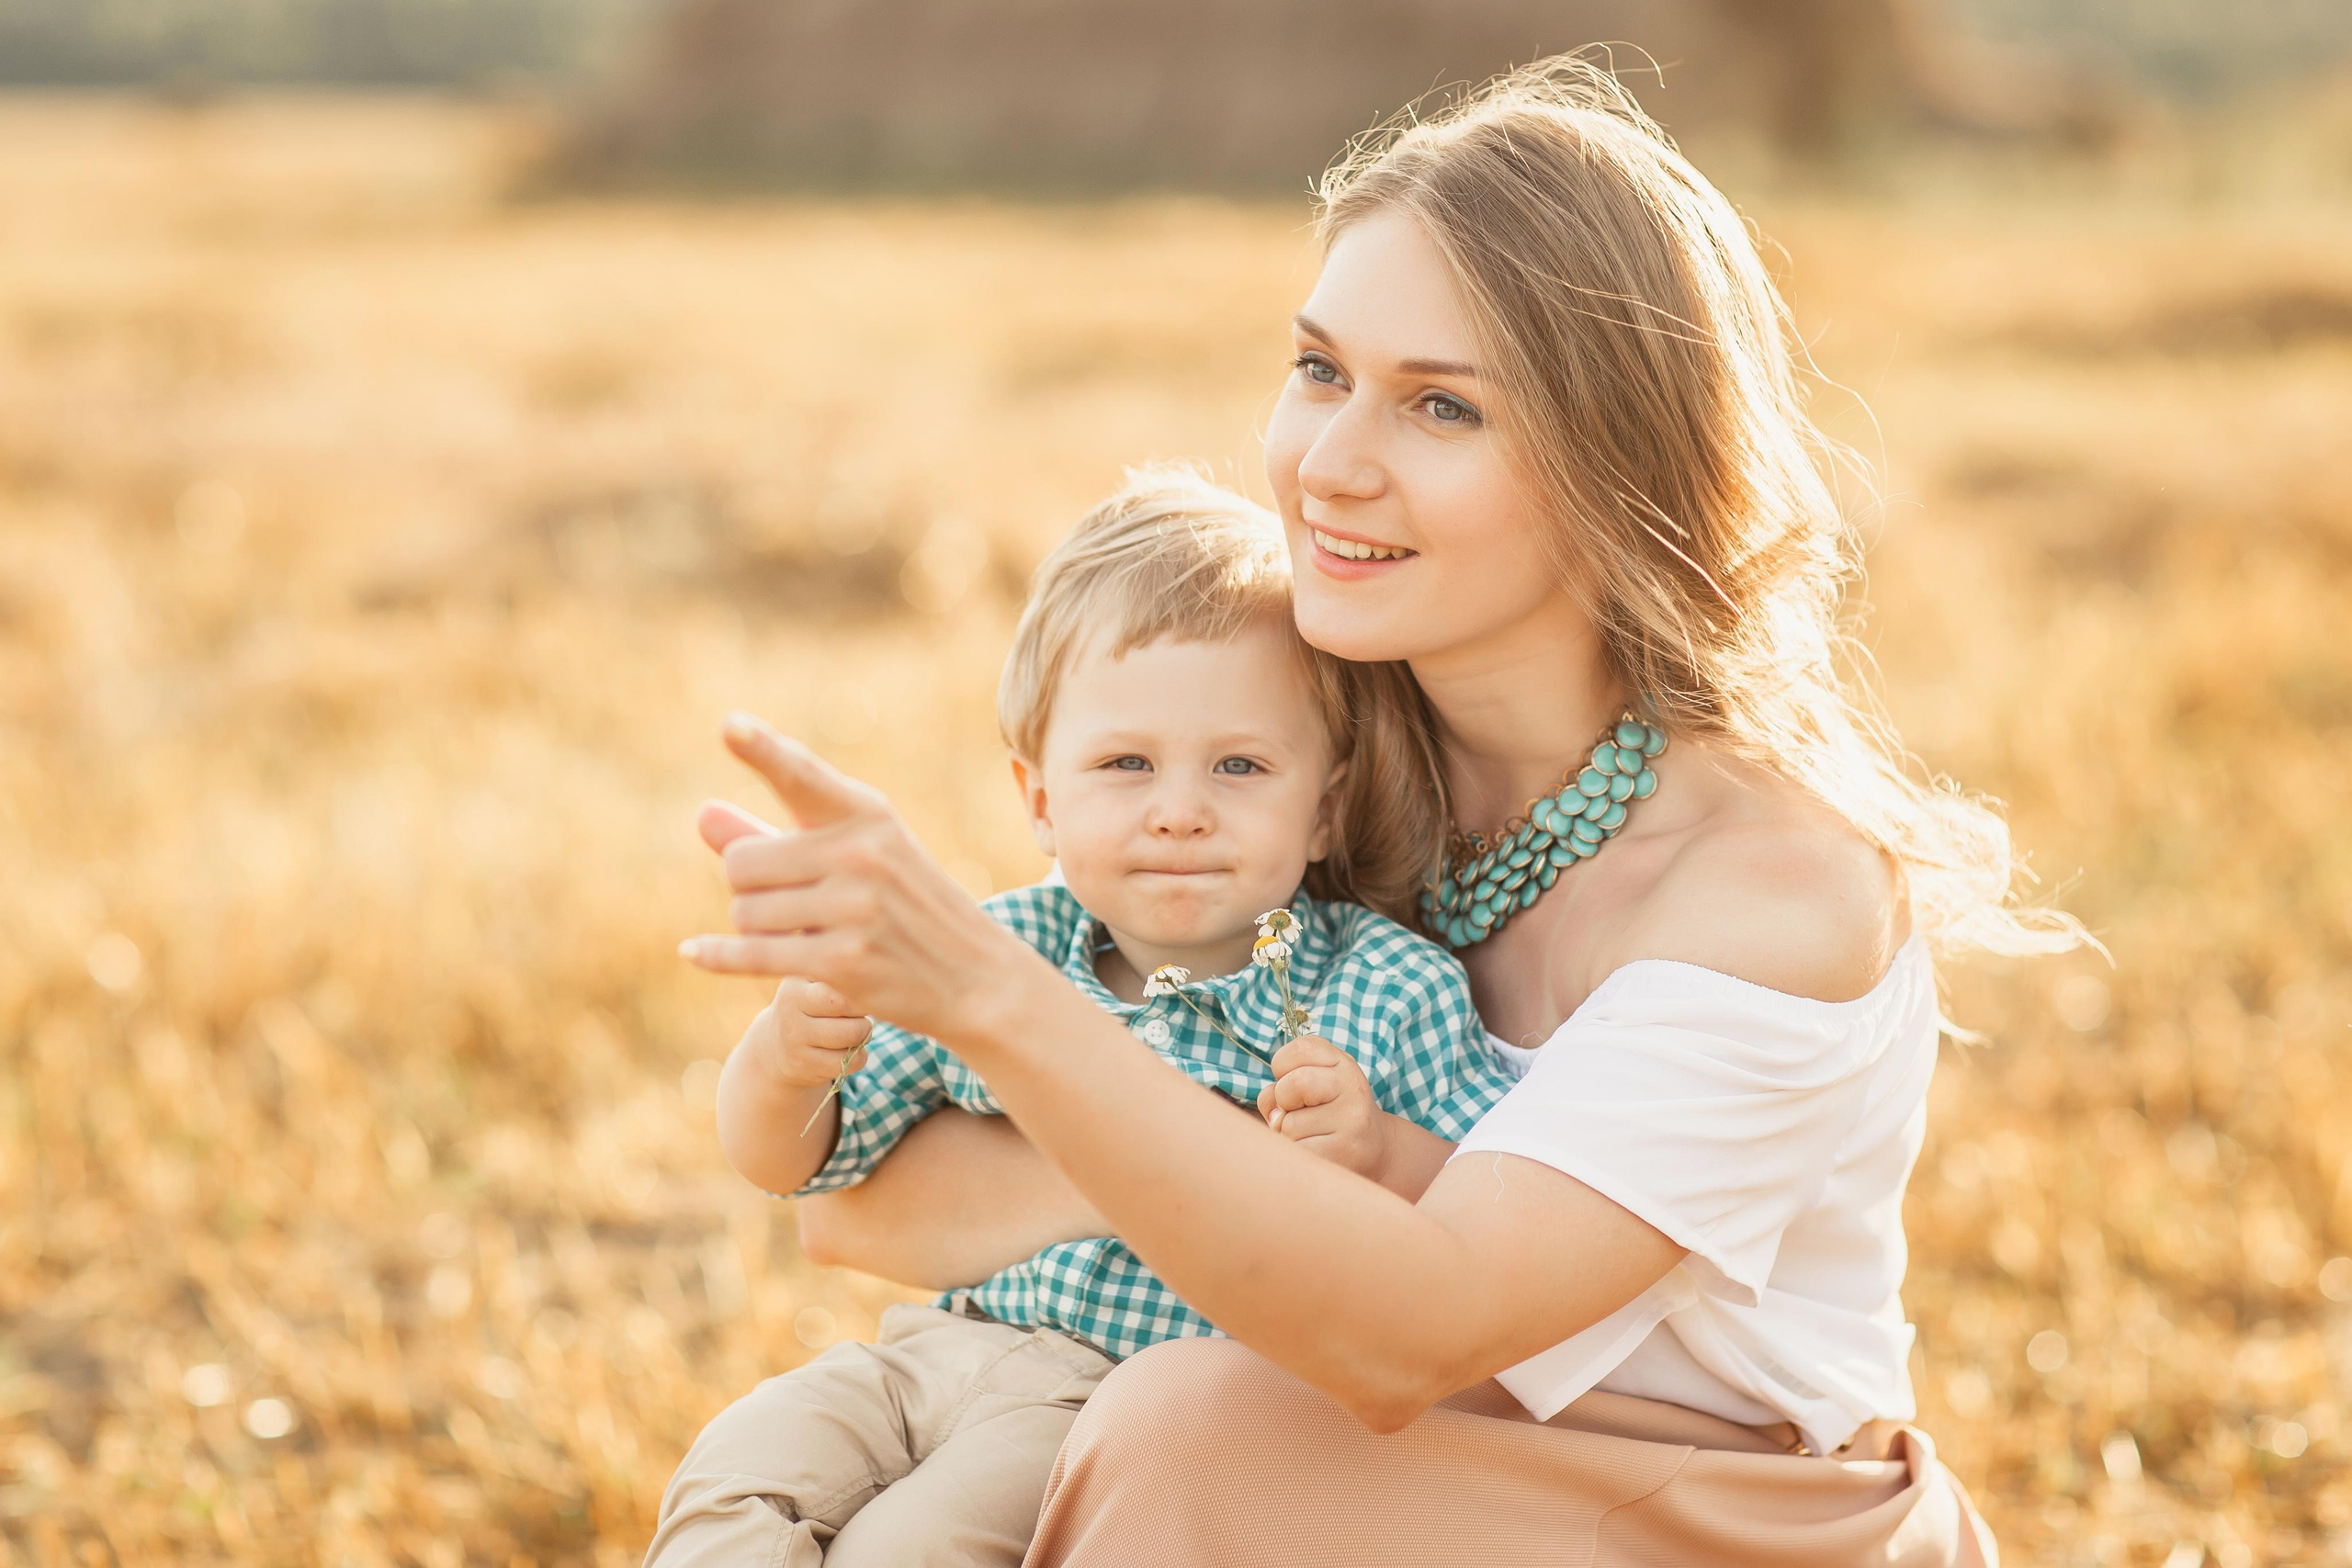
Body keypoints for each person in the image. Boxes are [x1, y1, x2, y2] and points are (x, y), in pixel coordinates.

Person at [683, 57, 2080, 1567]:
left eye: (1441, 405)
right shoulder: (1298, 760)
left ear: (1615, 463)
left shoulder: (1771, 893)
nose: (1330, 465)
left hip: (1716, 1512)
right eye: (1319, 370)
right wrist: (1222, 1172)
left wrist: (994, 1006)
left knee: (1180, 1425)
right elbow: (865, 1209)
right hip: (1341, 1441)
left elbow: (1412, 1323)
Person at [648, 468, 1516, 1567]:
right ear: (1041, 800)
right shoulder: (998, 948)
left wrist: (1381, 1149)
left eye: (1240, 765)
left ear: (1323, 807)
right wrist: (785, 1061)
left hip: (1114, 1403)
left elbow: (1482, 1227)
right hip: (930, 1350)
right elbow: (798, 1169)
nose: (1180, 810)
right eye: (1125, 764)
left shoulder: (1381, 988)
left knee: (909, 1547)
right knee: (729, 1478)